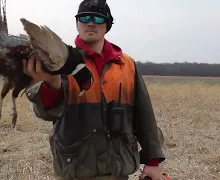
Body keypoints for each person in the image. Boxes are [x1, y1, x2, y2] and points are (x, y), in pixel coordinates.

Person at [23, 0, 166, 179]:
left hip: (118, 171)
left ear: (107, 25)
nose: (90, 23)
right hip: (74, 171)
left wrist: (152, 162)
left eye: (98, 19)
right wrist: (52, 84)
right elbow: (46, 113)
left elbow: (144, 116)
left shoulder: (127, 65)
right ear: (77, 24)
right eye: (84, 18)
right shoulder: (58, 62)